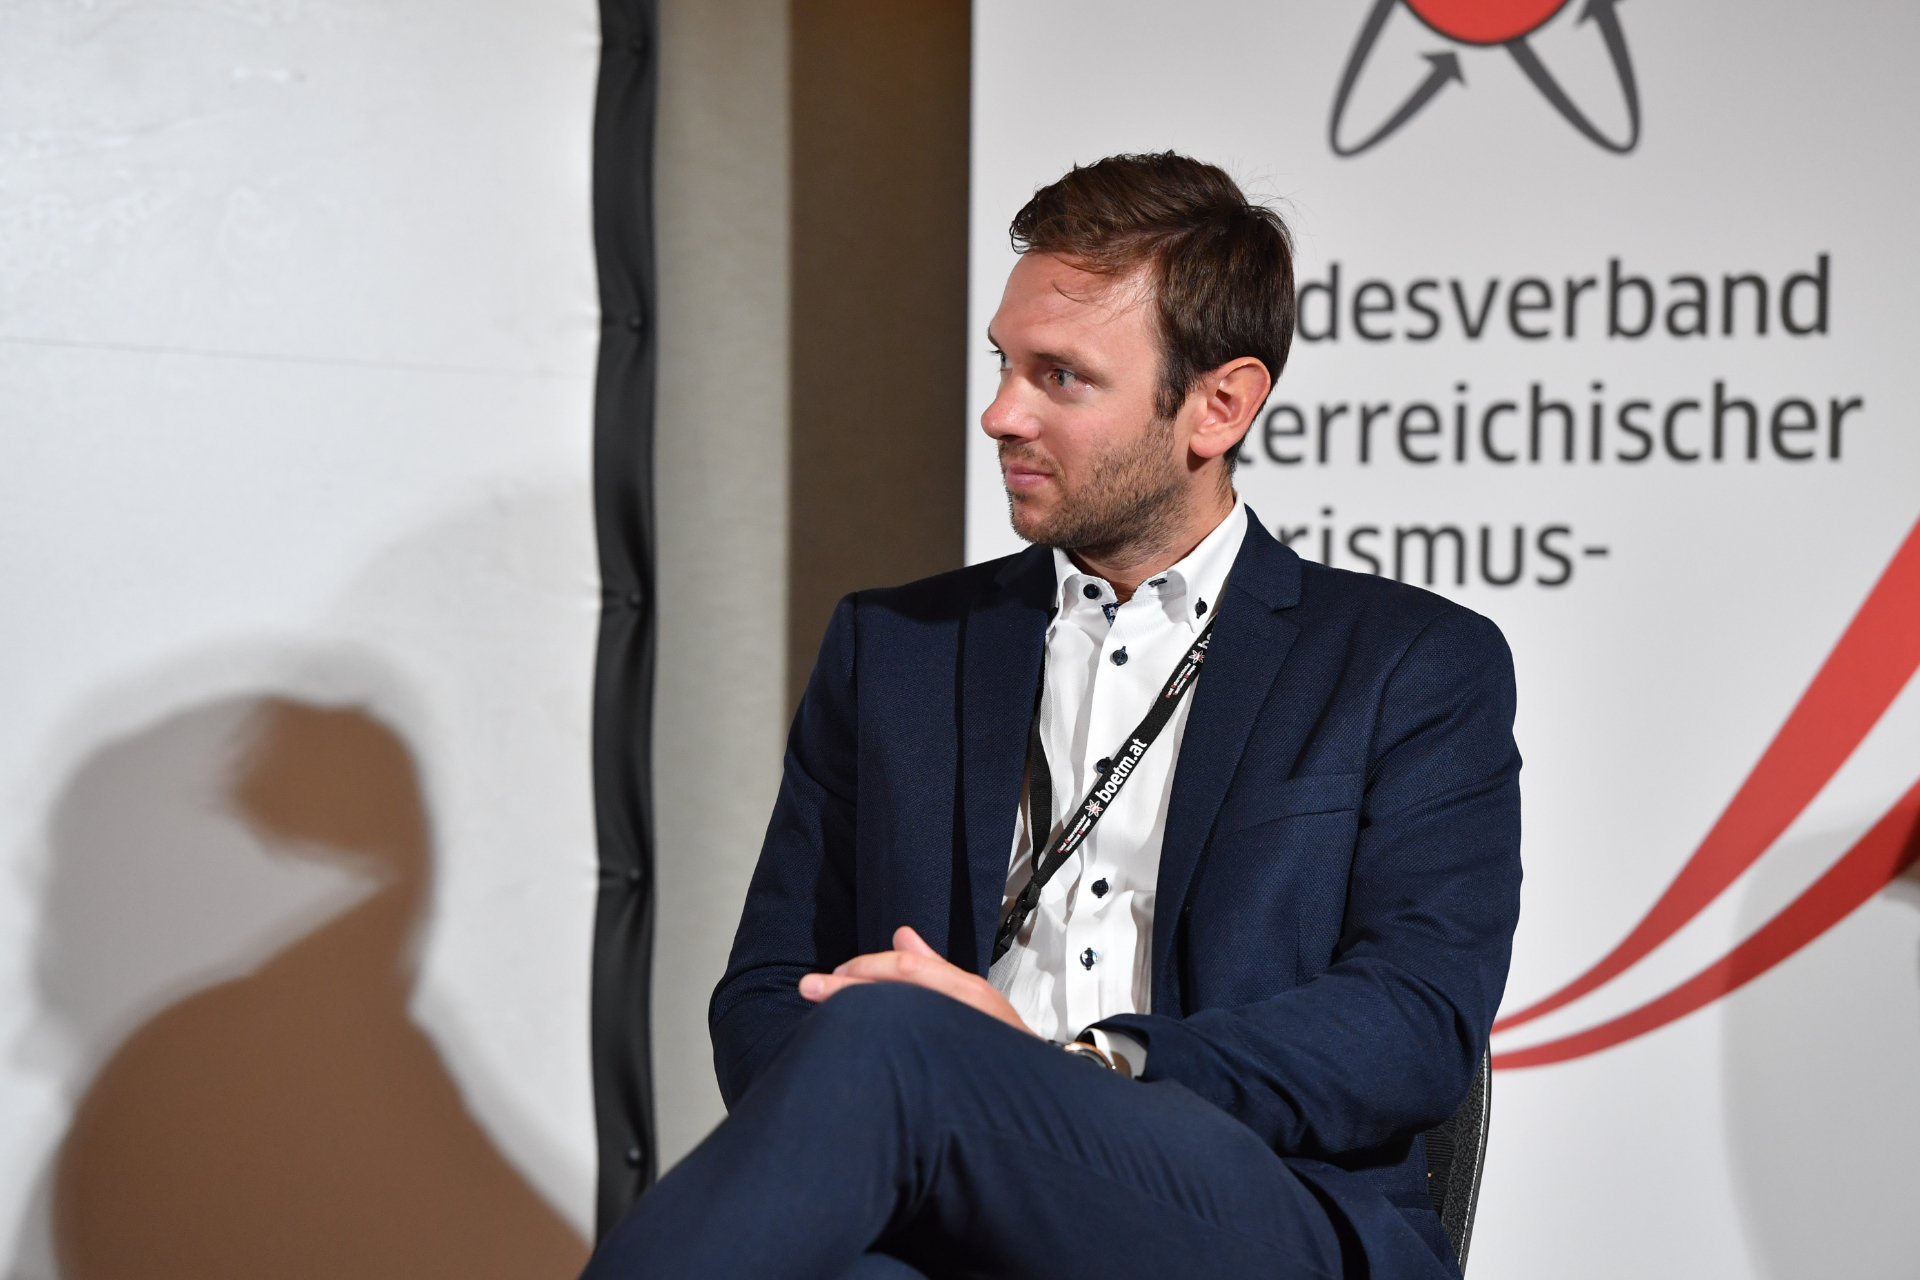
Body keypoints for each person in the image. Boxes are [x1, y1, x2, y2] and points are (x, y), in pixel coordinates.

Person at [583, 152, 1521, 1280]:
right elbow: (769, 988)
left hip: (1254, 1202)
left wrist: (1064, 1068)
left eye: (1061, 377)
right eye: (1004, 362)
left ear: (1218, 406)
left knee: (894, 1037)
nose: (1000, 413)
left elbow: (1412, 1021)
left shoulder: (1408, 662)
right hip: (946, 1203)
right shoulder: (895, 648)